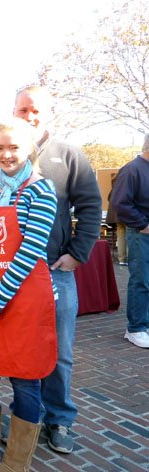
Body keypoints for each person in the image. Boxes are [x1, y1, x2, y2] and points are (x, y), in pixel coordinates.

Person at [0, 85, 102, 454]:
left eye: (34, 110)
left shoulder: (69, 155)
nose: (28, 116)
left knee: (56, 351)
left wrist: (77, 253)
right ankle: (15, 424)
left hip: (53, 271)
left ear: (47, 112)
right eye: (21, 109)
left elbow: (91, 206)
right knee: (6, 354)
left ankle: (58, 419)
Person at [0, 118, 58, 472]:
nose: (5, 154)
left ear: (30, 149)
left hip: (23, 300)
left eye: (14, 147)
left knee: (25, 380)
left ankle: (16, 462)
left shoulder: (42, 190)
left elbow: (30, 250)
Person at [110, 133, 149, 348]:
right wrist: (142, 224)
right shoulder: (133, 169)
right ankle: (136, 328)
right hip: (140, 233)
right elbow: (120, 203)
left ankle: (144, 323)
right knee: (141, 280)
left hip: (143, 231)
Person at [106, 175, 127, 265]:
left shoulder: (114, 189)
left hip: (117, 217)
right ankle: (130, 259)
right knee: (131, 237)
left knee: (121, 237)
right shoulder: (126, 186)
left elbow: (108, 199)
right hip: (127, 216)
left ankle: (122, 259)